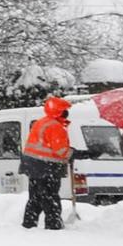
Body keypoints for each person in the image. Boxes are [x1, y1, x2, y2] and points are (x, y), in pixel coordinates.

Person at [19, 95, 72, 231]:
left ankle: (29, 224)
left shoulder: (42, 122)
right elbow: (60, 150)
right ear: (60, 112)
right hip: (47, 167)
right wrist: (74, 153)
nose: (67, 113)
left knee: (35, 197)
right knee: (50, 197)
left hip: (33, 166)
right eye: (65, 110)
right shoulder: (56, 127)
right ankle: (53, 225)